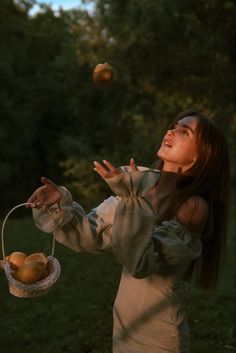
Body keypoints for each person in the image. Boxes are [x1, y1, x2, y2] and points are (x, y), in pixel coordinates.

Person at [27, 109, 230, 353]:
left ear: (200, 156)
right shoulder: (142, 183)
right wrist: (60, 202)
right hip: (124, 326)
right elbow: (91, 235)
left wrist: (130, 198)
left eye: (184, 131)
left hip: (160, 335)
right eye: (174, 126)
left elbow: (140, 262)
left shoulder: (194, 207)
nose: (171, 131)